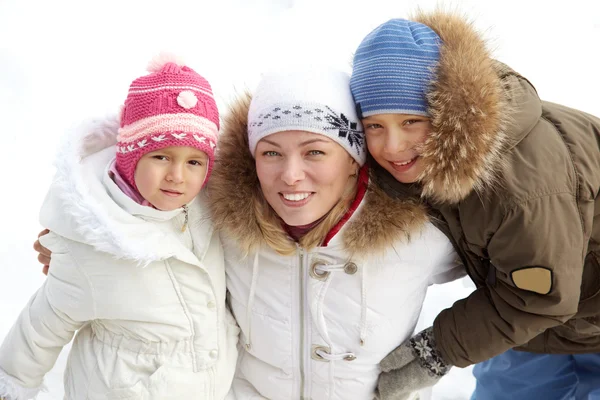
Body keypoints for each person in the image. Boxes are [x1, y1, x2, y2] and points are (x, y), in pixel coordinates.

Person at [349, 11, 600, 400]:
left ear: (449, 114)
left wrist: (441, 348)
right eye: (374, 126)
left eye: (412, 121)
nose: (392, 146)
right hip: (539, 319)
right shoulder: (433, 157)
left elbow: (540, 297)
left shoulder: (520, 190)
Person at [208, 68, 464, 399]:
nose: (291, 175)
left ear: (353, 160)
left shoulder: (418, 232)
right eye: (271, 152)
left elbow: (518, 282)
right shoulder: (221, 223)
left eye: (314, 151)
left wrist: (445, 347)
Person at [0, 56, 239, 400]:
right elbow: (39, 328)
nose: (177, 175)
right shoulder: (90, 247)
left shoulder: (207, 210)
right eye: (161, 157)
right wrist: (13, 385)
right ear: (130, 155)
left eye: (194, 162)